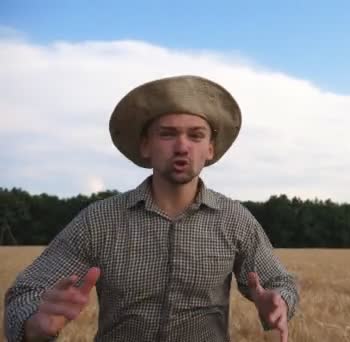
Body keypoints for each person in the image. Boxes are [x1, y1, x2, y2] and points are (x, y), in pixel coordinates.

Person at [4, 75, 299, 342]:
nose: (182, 146)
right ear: (145, 145)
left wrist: (280, 301)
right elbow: (24, 294)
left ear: (210, 148)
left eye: (196, 135)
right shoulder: (99, 221)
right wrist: (35, 324)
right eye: (168, 134)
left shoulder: (234, 219)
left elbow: (278, 282)